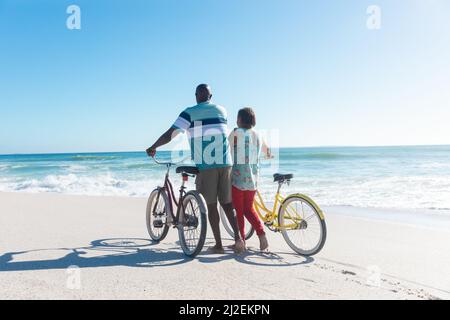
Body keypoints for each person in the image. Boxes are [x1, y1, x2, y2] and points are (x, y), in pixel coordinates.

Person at [146, 84, 245, 254]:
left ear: (196, 96)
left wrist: (153, 146)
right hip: (226, 162)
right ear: (211, 96)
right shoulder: (222, 110)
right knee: (228, 204)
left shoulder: (190, 112)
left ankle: (219, 245)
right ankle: (238, 240)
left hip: (207, 165)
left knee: (211, 206)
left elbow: (170, 134)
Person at [229, 107, 271, 251]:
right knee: (249, 209)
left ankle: (240, 242)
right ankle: (262, 235)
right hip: (252, 180)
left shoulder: (235, 133)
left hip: (237, 179)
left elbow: (227, 148)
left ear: (240, 120)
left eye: (237, 118)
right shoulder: (258, 135)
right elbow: (267, 152)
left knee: (238, 212)